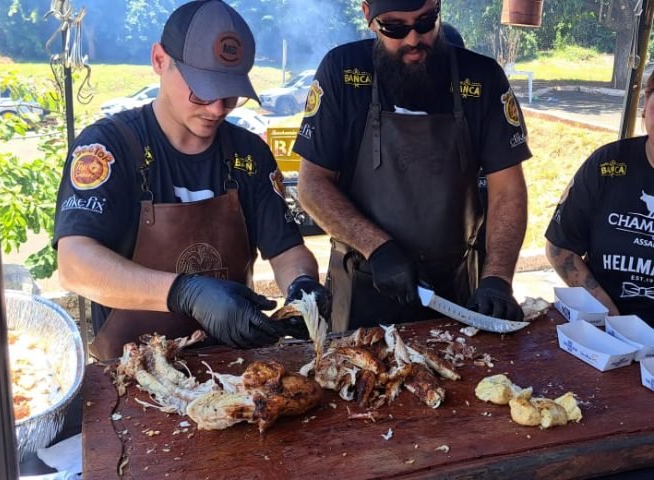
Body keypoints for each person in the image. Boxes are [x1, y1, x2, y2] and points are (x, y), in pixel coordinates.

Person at [53, 0, 330, 361]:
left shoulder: (248, 154)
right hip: (132, 371)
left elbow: (286, 250)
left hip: (232, 364)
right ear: (159, 60)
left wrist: (302, 287)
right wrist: (185, 292)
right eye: (202, 91)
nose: (217, 108)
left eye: (230, 94)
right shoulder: (109, 146)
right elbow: (74, 264)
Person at [294, 0, 530, 332]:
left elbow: (508, 189)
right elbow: (313, 185)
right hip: (364, 283)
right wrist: (377, 248)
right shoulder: (343, 72)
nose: (413, 39)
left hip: (457, 287)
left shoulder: (483, 78)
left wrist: (498, 278)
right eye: (395, 27)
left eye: (425, 22)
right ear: (368, 17)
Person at [545, 72, 654, 326]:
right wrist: (613, 321)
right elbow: (560, 247)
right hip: (604, 326)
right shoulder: (608, 165)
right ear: (646, 108)